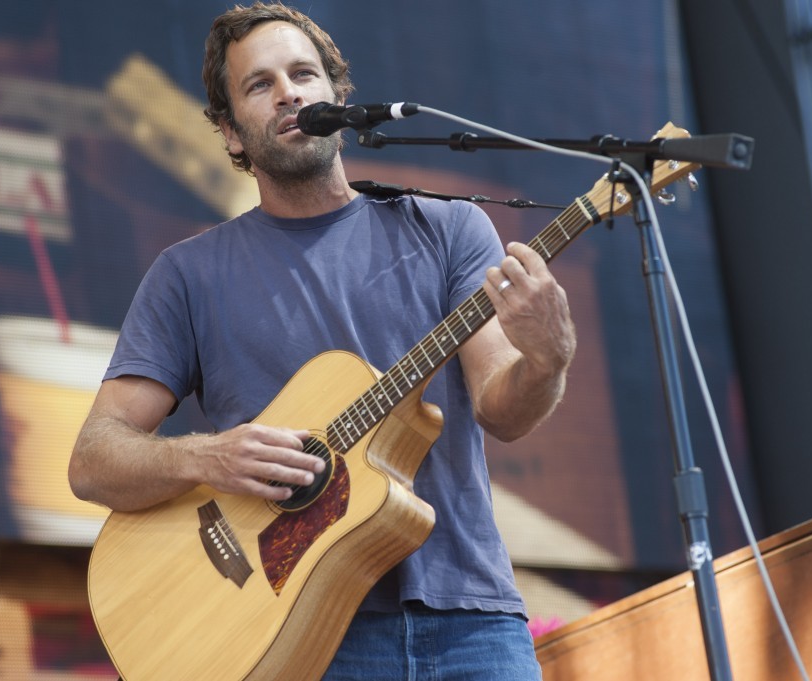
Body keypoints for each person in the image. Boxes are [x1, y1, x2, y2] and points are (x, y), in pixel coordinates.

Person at [69, 2, 576, 679]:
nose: (289, 93)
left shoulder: (450, 230)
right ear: (230, 134)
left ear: (340, 99)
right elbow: (93, 459)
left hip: (471, 622)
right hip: (296, 635)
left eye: (304, 74)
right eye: (260, 85)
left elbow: (503, 410)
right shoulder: (186, 275)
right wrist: (207, 456)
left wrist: (547, 358)